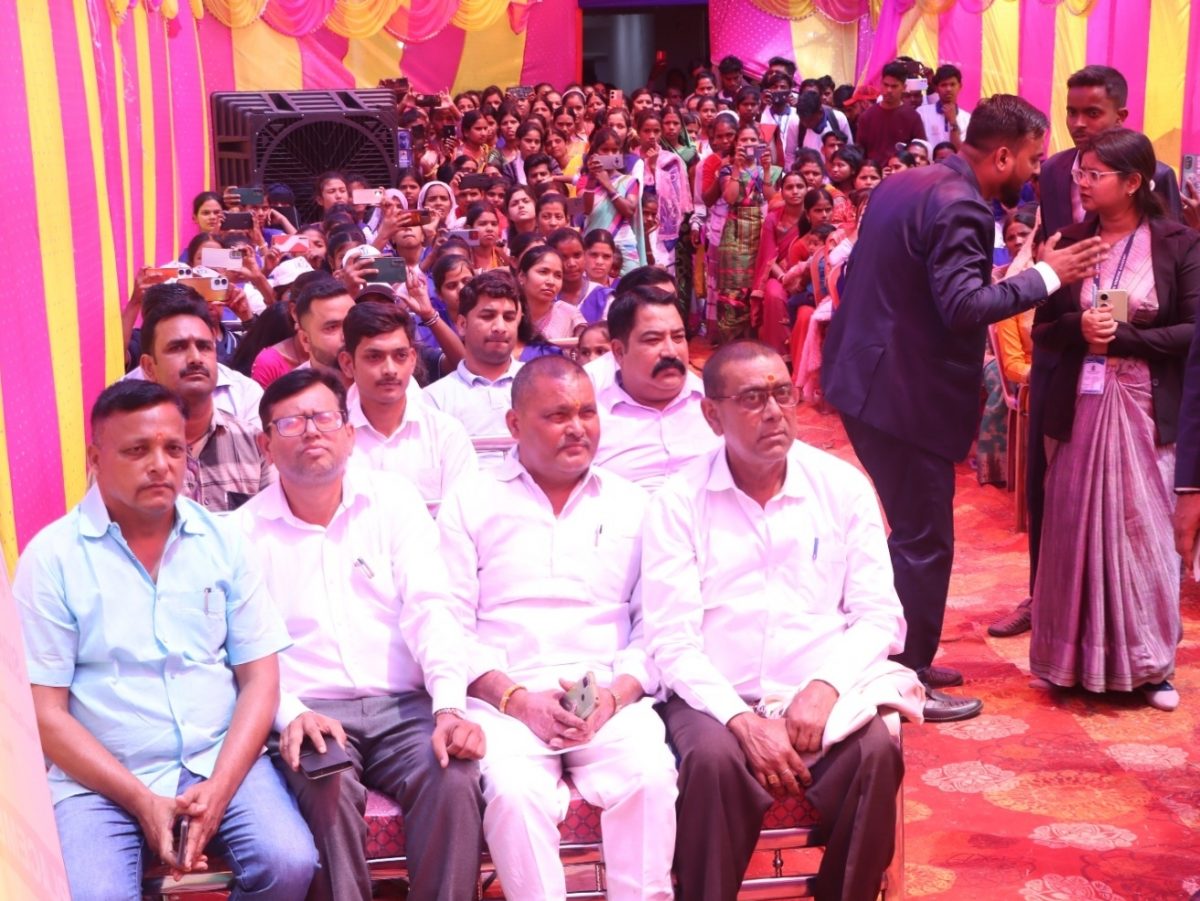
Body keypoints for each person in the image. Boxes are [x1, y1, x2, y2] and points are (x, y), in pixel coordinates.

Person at [820, 94, 1107, 722]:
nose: (1034, 172)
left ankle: (894, 656)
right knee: (924, 540)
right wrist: (1047, 275)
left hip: (866, 377)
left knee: (911, 535)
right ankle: (903, 677)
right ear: (1002, 155)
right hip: (903, 394)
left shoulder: (905, 182)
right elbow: (963, 307)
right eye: (1031, 159)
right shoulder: (962, 206)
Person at [15, 380, 317, 900]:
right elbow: (45, 713)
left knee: (288, 863)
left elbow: (260, 679)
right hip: (100, 780)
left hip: (217, 758)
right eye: (137, 450)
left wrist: (220, 790)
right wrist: (140, 798)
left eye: (173, 448)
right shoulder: (52, 559)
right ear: (95, 459)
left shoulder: (222, 541)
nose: (160, 465)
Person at [642, 341, 922, 901]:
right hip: (717, 698)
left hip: (819, 693)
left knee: (875, 752)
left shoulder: (842, 487)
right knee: (712, 762)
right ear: (711, 415)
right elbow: (671, 641)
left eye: (783, 394)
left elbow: (879, 616)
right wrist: (741, 721)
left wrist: (824, 687)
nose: (774, 412)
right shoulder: (678, 501)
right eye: (752, 398)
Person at [238, 370, 486, 901]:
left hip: (405, 707)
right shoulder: (240, 534)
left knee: (453, 774)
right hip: (311, 711)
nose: (311, 431)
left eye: (324, 417)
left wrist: (449, 706)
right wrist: (292, 714)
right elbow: (245, 653)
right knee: (323, 779)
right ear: (265, 445)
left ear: (350, 434)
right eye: (291, 422)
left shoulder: (393, 501)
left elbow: (431, 607)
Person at [438, 355, 678, 901]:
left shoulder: (634, 504)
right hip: (507, 699)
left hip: (611, 698)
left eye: (587, 413)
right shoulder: (471, 501)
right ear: (514, 424)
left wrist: (615, 697)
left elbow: (656, 623)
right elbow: (447, 622)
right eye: (557, 415)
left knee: (649, 777)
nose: (577, 428)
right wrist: (518, 700)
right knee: (513, 794)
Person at [991, 64, 1185, 638]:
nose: (1078, 123)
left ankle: (1129, 622)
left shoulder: (1158, 175)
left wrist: (1122, 331)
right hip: (1062, 351)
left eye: (1092, 113)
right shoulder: (1052, 170)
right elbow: (1049, 252)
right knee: (1052, 488)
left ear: (1121, 115)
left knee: (1132, 502)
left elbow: (1169, 272)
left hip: (1134, 366)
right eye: (1071, 112)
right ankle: (1045, 598)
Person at [1029, 128, 1198, 712]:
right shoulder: (1068, 243)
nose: (1080, 182)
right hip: (1079, 406)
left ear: (1132, 182)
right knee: (1074, 529)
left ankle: (1151, 665)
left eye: (1094, 174)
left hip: (1148, 411)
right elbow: (1042, 330)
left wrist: (1124, 338)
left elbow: (1193, 332)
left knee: (1144, 532)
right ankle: (1072, 662)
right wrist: (1078, 329)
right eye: (1080, 171)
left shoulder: (1178, 244)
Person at [139, 295, 273, 512]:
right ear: (149, 367)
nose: (195, 358)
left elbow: (273, 526)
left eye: (204, 346)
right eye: (177, 347)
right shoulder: (124, 452)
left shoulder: (254, 444)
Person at [338, 303, 477, 506]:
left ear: (412, 360)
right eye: (374, 357)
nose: (390, 369)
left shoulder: (445, 433)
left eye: (400, 356)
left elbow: (463, 515)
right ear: (348, 364)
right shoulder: (330, 437)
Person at [591, 284, 720, 491]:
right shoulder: (591, 417)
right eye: (653, 340)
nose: (671, 352)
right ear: (619, 351)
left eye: (678, 337)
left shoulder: (720, 402)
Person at [425, 270, 524, 450]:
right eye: (487, 316)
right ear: (462, 325)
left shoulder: (543, 386)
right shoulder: (433, 400)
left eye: (509, 318)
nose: (500, 327)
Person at [853, 62, 926, 168]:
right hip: (874, 174)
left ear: (904, 87)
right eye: (886, 85)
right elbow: (860, 152)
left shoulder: (913, 117)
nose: (889, 90)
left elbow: (920, 150)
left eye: (894, 86)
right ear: (880, 84)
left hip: (903, 174)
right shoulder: (866, 117)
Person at [918, 65, 971, 150]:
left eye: (952, 84)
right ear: (936, 88)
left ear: (960, 86)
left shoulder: (967, 118)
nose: (948, 89)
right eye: (943, 85)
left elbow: (961, 151)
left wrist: (953, 122)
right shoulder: (922, 113)